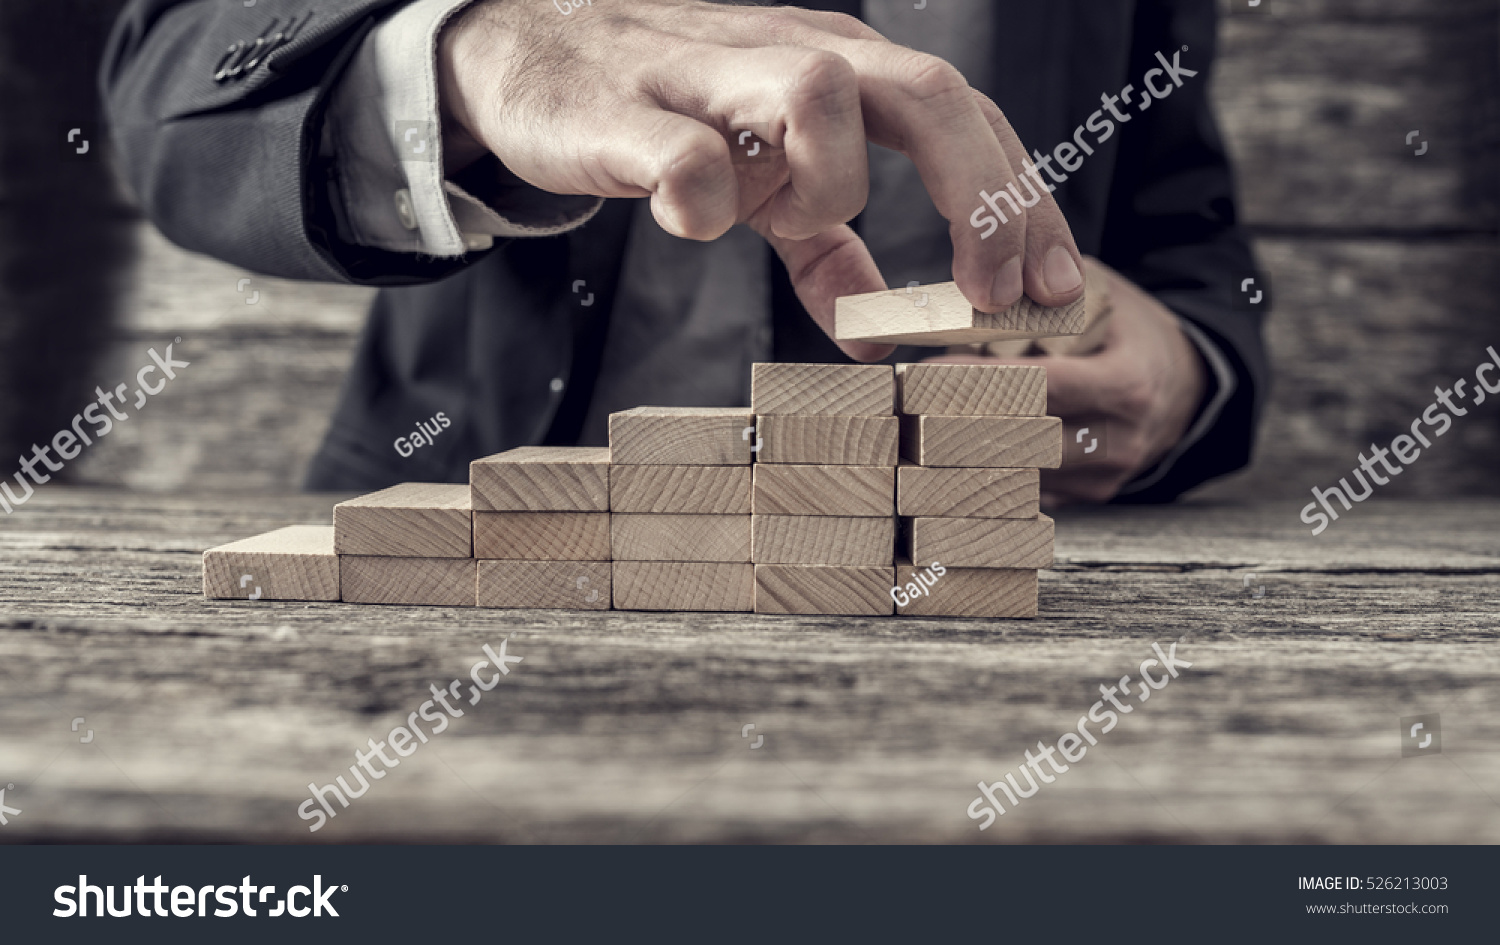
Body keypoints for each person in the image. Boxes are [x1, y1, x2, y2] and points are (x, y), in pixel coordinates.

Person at [101, 0, 1267, 505]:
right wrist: (467, 60)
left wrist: (1183, 376)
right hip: (481, 566)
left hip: (988, 598)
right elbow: (169, 87)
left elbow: (1186, 235)